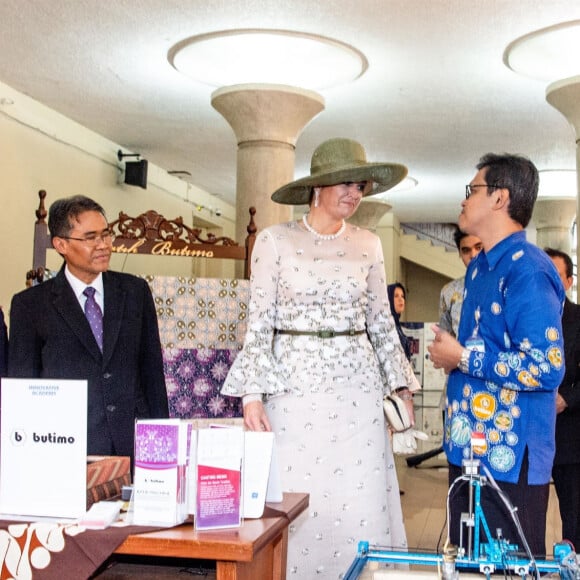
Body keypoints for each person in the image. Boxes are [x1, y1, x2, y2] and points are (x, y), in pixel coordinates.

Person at [221, 138, 420, 578]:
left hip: (357, 391)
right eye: (345, 183)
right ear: (317, 187)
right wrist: (251, 394)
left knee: (361, 497)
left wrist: (400, 386)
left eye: (361, 184)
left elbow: (381, 321)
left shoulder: (368, 242)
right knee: (297, 496)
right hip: (292, 390)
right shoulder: (273, 241)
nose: (355, 192)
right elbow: (260, 322)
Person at [427, 153, 565, 557]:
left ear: (499, 198)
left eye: (473, 190)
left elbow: (545, 367)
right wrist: (453, 356)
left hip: (509, 457)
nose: (464, 200)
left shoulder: (529, 271)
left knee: (508, 567)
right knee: (469, 562)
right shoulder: (480, 268)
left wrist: (462, 357)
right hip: (468, 448)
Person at [8, 195, 168, 458]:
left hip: (133, 448)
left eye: (106, 235)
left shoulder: (134, 292)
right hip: (65, 450)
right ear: (61, 244)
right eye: (90, 237)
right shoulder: (31, 305)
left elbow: (152, 373)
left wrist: (162, 445)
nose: (103, 245)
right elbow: (23, 391)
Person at [544, 247, 580, 551]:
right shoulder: (524, 319)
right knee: (526, 509)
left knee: (574, 512)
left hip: (570, 435)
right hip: (532, 436)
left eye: (555, 275)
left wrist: (566, 398)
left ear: (568, 281)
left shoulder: (579, 319)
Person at [438, 227, 483, 337]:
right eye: (466, 250)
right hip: (460, 353)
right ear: (460, 254)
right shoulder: (449, 291)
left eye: (478, 247)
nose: (473, 255)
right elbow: (446, 336)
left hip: (494, 353)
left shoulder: (503, 286)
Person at [387, 282, 411, 361]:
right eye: (396, 296)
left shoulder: (396, 325)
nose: (401, 299)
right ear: (388, 299)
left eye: (402, 296)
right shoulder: (386, 325)